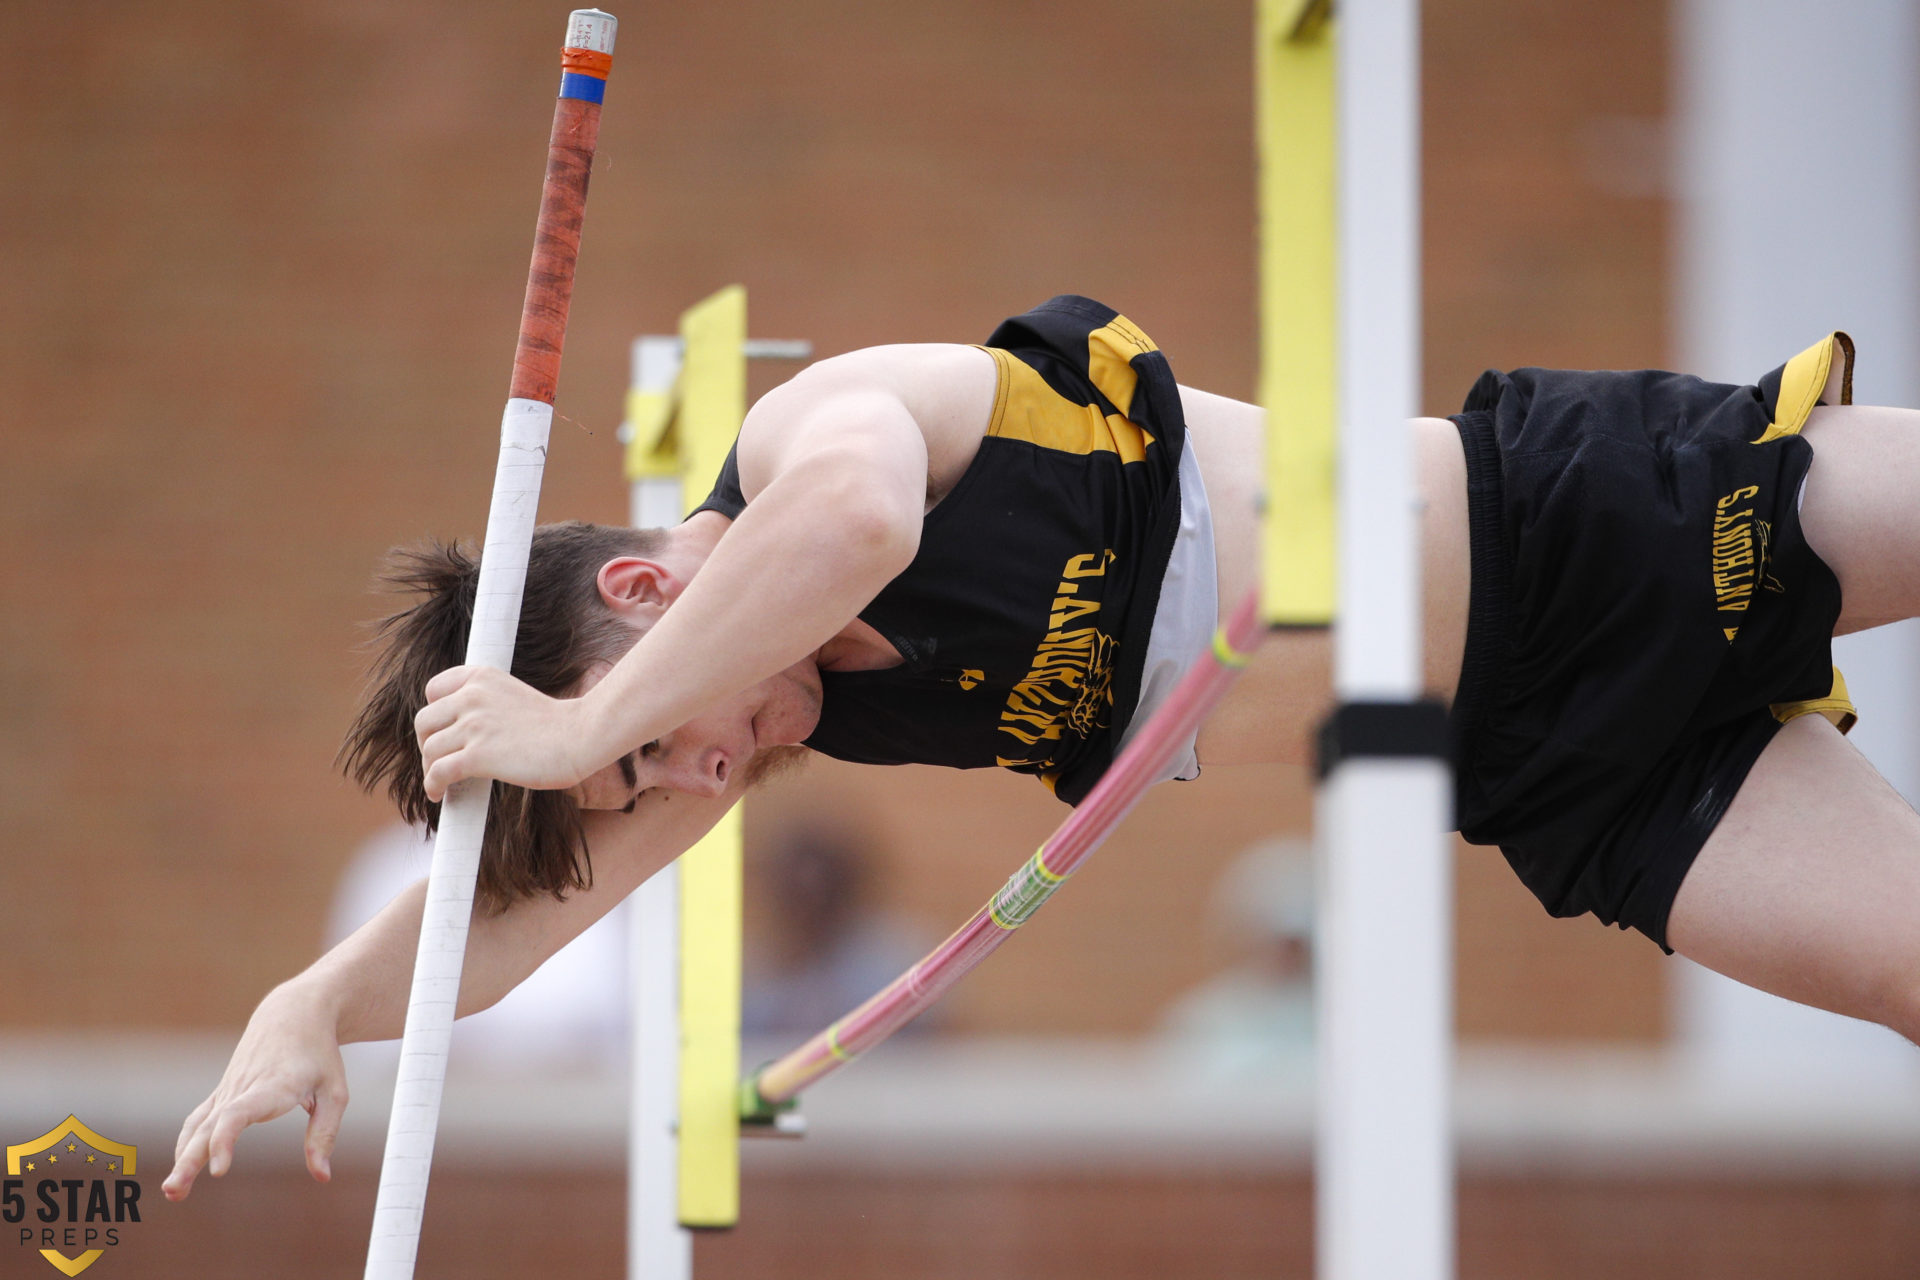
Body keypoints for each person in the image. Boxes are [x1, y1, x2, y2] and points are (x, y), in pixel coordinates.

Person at [165, 294, 1920, 1202]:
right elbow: (506, 938)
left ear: (639, 589)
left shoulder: (800, 448)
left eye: (657, 752)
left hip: (1591, 527)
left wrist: (585, 728)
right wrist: (311, 1002)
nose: (693, 788)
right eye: (650, 788)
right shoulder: (785, 718)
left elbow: (851, 519)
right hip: (1549, 769)